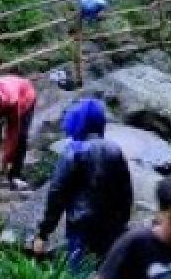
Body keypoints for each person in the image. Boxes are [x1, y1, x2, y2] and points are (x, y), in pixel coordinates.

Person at [33, 98, 133, 269]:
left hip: (81, 226)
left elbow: (57, 192)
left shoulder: (74, 151)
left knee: (79, 278)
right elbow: (126, 192)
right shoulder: (114, 150)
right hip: (111, 226)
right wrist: (122, 222)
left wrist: (44, 233)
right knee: (105, 275)